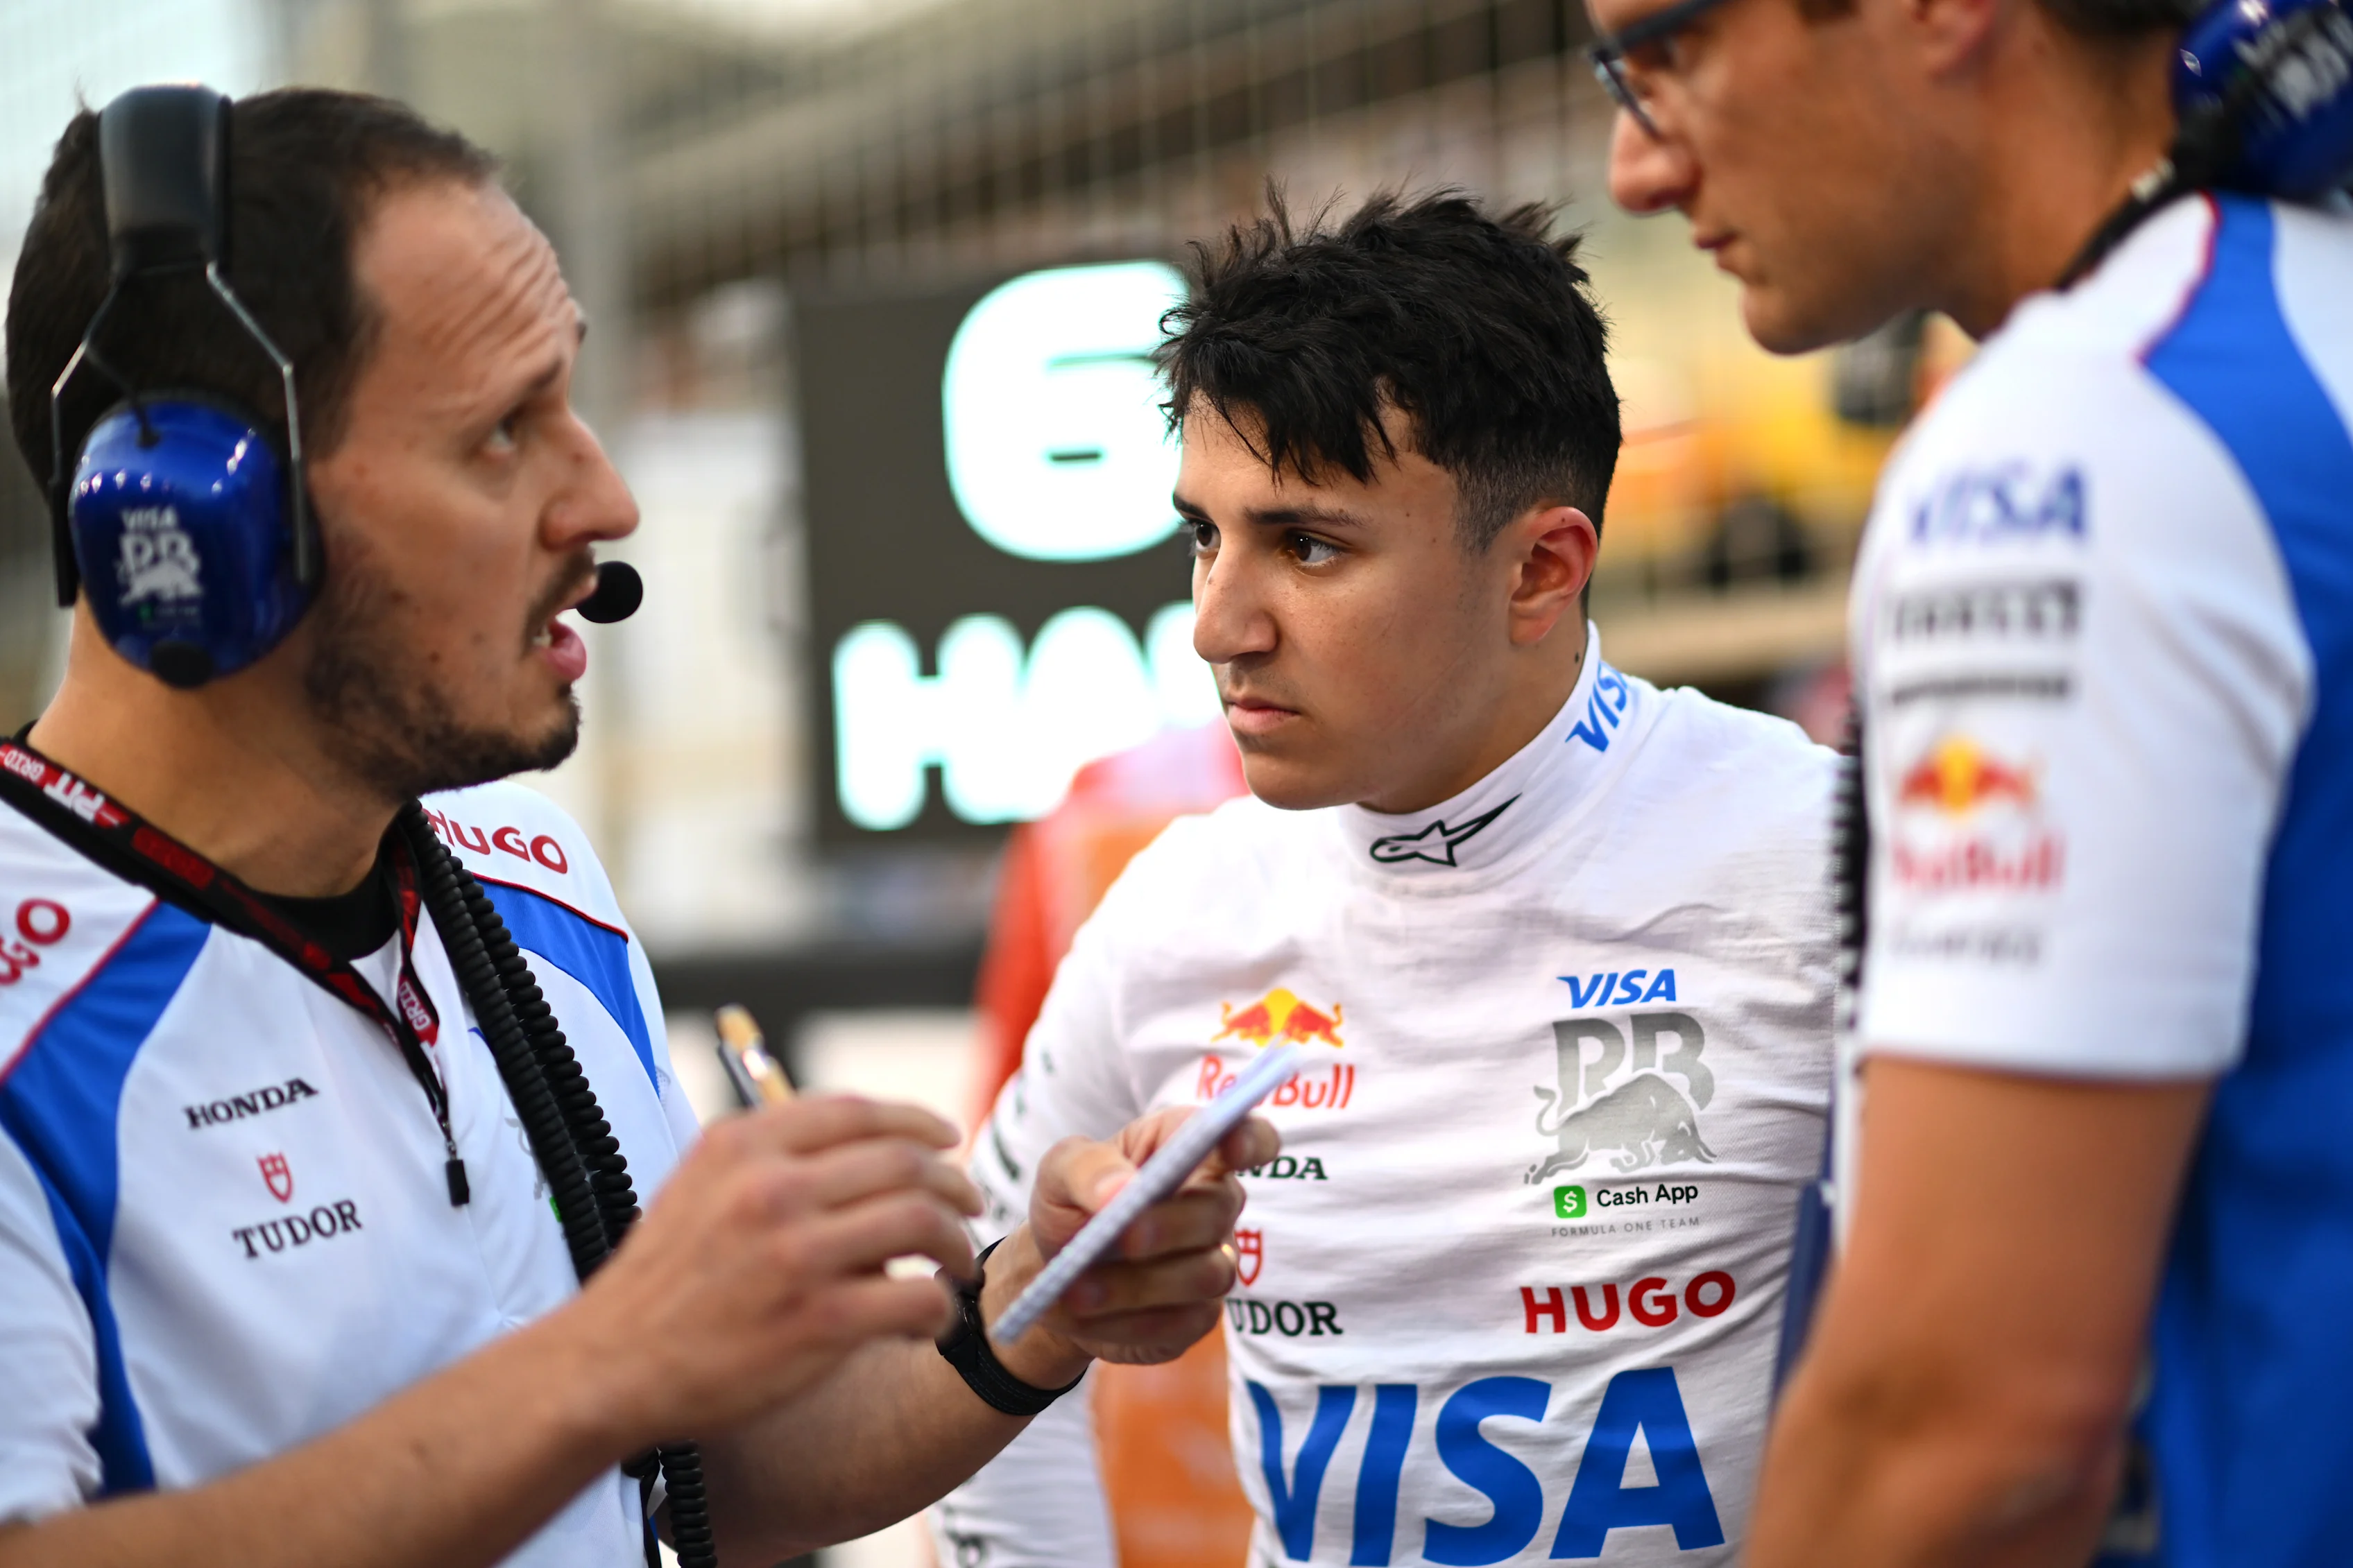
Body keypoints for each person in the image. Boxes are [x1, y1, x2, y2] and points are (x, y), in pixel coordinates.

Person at [0, 87, 1272, 1568]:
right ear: (193, 516)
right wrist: (612, 1356)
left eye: (571, 402)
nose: (601, 495)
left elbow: (685, 1474)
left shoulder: (525, 878)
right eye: (501, 434)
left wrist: (1028, 1307)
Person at [930, 191, 1838, 1568]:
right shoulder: (1178, 906)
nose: (1217, 626)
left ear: (1540, 569)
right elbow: (978, 1337)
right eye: (1202, 535)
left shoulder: (1811, 856)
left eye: (1306, 545)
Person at [1588, 0, 2353, 1556]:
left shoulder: (2075, 447)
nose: (1632, 164)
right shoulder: (2294, 320)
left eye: (1661, 49)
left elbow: (1967, 1422)